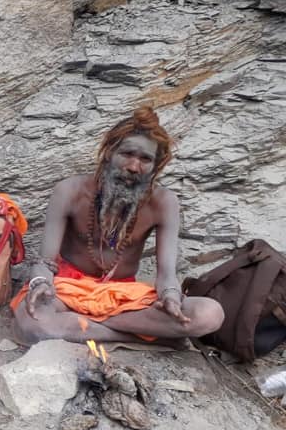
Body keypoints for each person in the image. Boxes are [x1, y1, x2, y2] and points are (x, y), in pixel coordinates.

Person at [12, 107, 224, 345]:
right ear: (109, 153)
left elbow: (166, 275)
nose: (133, 167)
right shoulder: (69, 191)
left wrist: (171, 297)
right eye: (127, 154)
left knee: (209, 314)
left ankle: (82, 327)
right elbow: (44, 262)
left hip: (123, 298)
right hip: (67, 290)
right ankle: (139, 336)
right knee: (32, 321)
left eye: (145, 159)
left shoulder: (164, 202)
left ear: (156, 166)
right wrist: (40, 282)